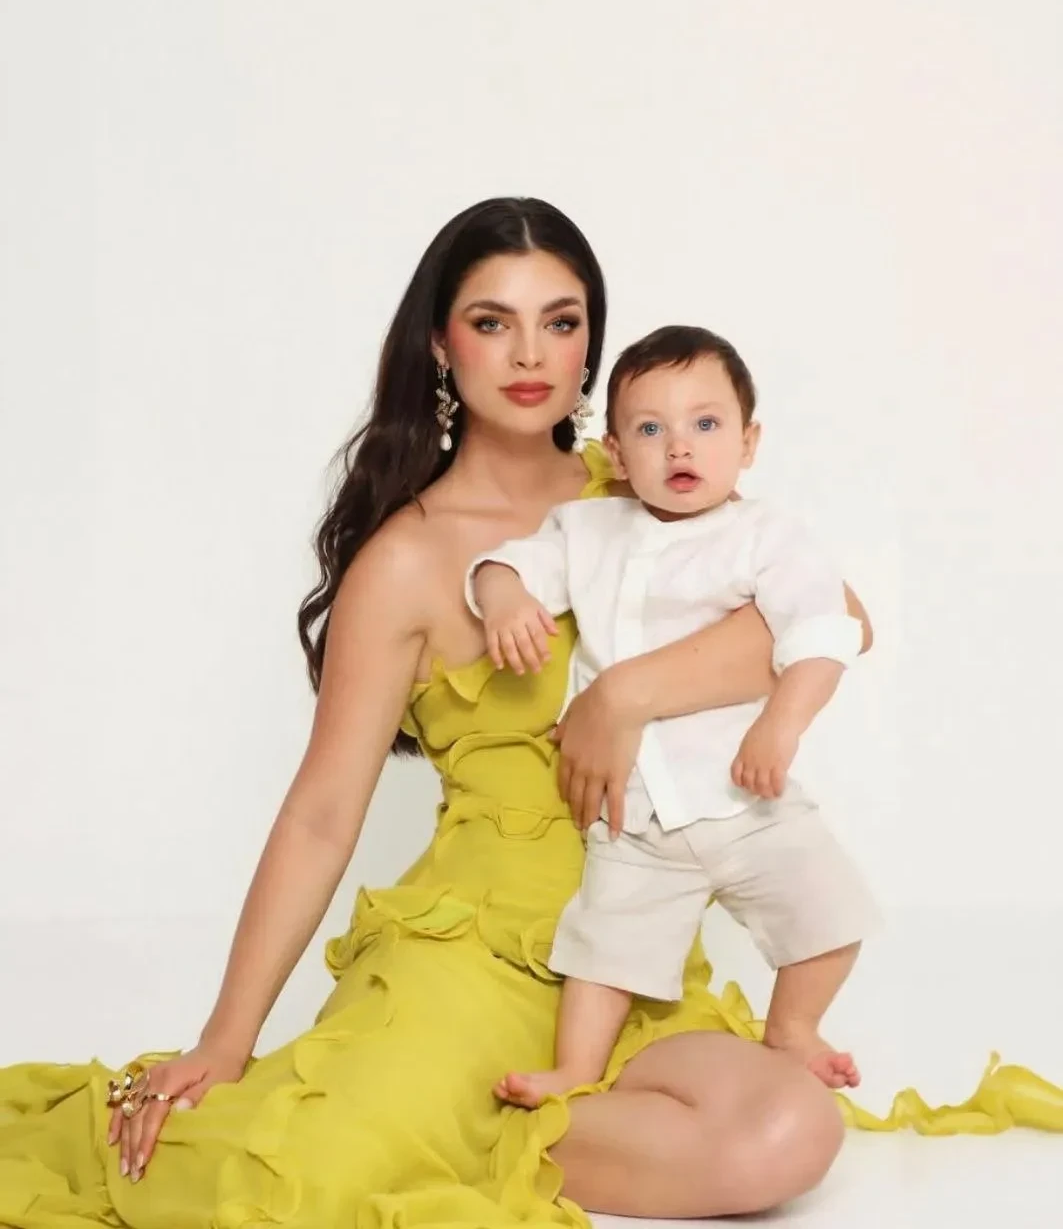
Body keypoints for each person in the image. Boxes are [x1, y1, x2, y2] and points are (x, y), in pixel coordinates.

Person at [1, 198, 1059, 1229]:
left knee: (786, 1134)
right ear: (439, 344)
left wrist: (624, 694)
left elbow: (836, 616)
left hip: (625, 950)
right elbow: (321, 815)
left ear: (592, 340)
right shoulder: (407, 559)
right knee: (286, 1183)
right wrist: (224, 1041)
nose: (529, 354)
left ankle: (477, 1123)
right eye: (491, 321)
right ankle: (430, 1111)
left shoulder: (647, 478)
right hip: (465, 956)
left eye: (560, 321)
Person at [469, 323, 880, 1109]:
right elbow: (507, 564)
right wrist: (504, 599)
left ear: (747, 443)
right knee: (602, 949)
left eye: (706, 423)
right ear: (618, 455)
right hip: (636, 816)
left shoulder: (766, 538)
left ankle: (793, 1027)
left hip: (746, 797)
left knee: (830, 911)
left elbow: (824, 629)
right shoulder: (586, 530)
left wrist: (781, 724)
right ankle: (574, 1070)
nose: (679, 446)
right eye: (651, 430)